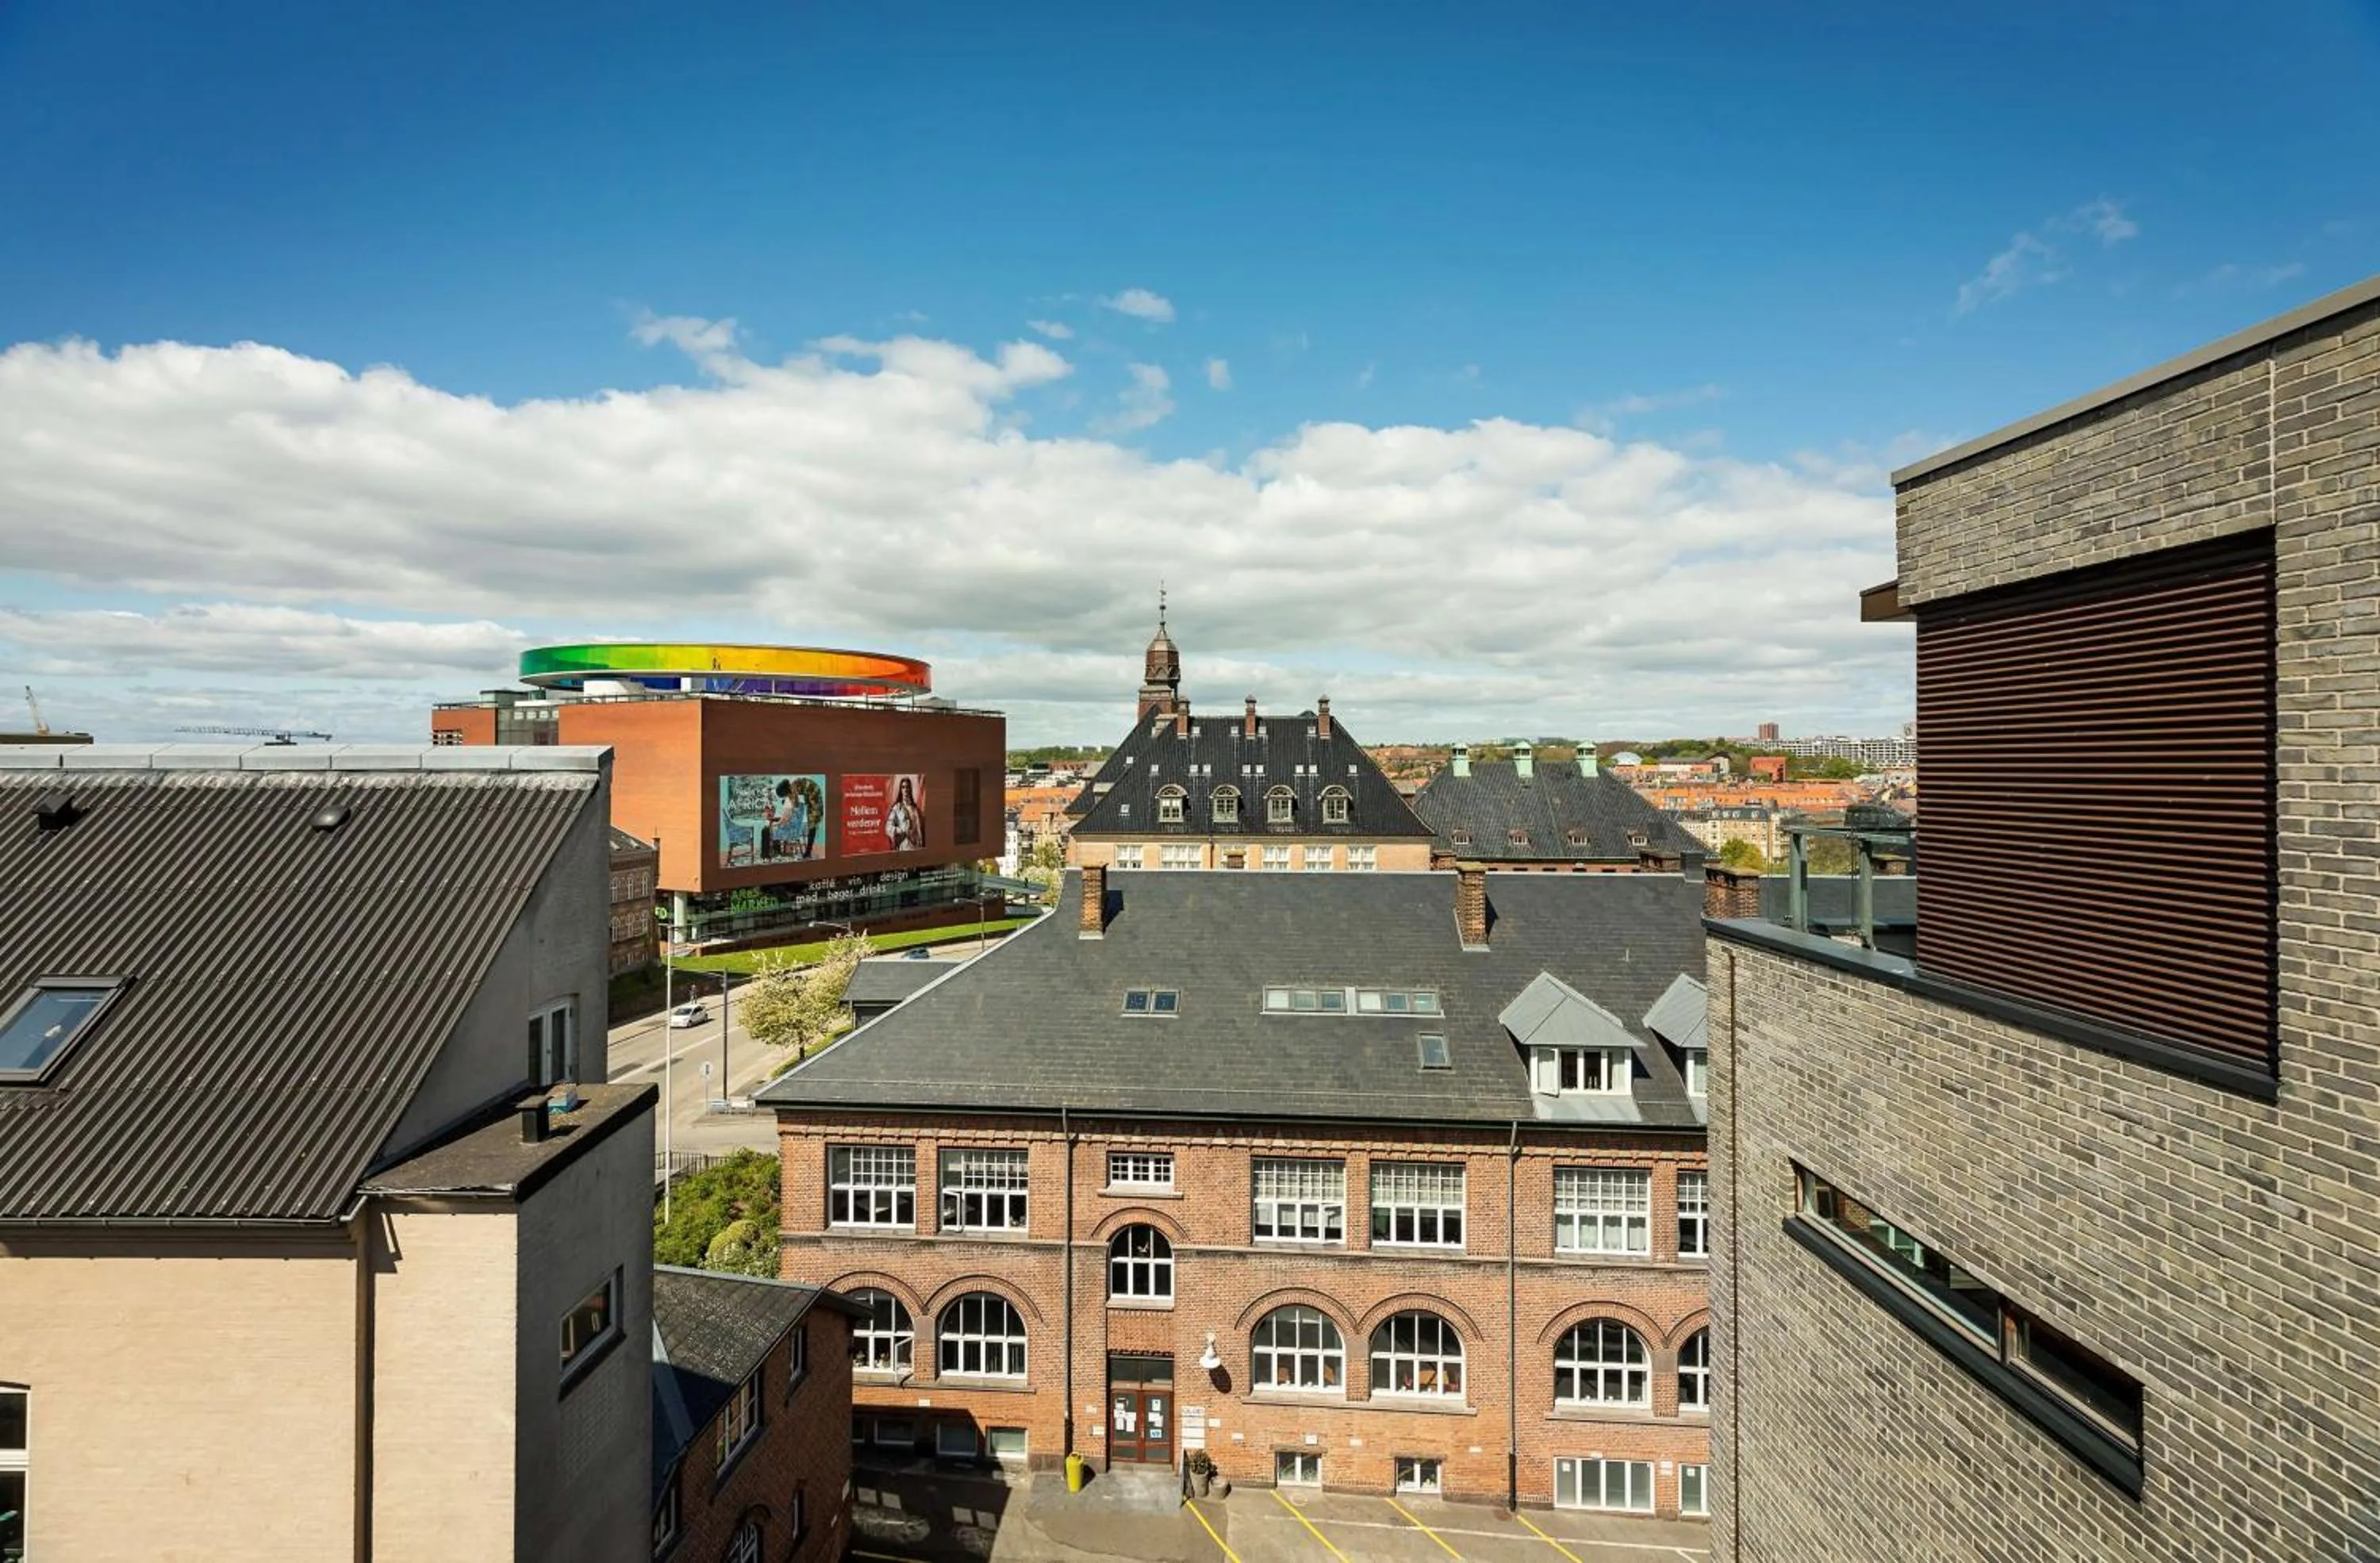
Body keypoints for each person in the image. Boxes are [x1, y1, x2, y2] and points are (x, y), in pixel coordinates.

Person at [886, 776, 923, 851]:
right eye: (903, 787)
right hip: (905, 846)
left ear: (910, 789)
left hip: (917, 846)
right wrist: (901, 830)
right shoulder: (897, 808)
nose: (905, 789)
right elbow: (888, 828)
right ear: (901, 790)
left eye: (907, 787)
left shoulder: (915, 809)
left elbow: (919, 830)